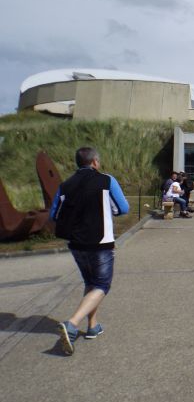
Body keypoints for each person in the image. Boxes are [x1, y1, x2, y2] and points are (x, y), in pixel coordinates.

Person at [50, 147, 129, 356]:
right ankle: (72, 324)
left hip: (76, 244)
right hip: (100, 241)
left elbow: (54, 214)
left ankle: (93, 325)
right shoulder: (106, 180)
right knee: (102, 285)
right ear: (95, 162)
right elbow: (123, 208)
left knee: (90, 283)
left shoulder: (65, 185)